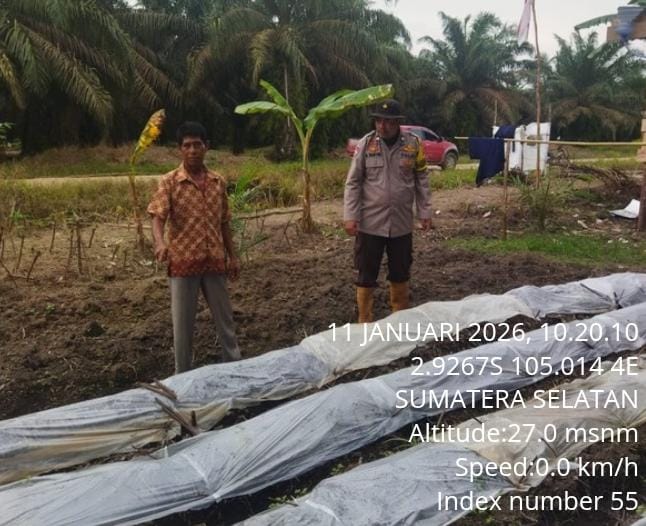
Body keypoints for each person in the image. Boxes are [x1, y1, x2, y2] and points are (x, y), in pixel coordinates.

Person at [147, 121, 241, 373]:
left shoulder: (217, 182)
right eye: (187, 145)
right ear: (180, 149)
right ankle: (183, 375)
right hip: (183, 264)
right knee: (183, 327)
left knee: (225, 320)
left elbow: (224, 222)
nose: (192, 150)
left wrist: (233, 256)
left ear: (206, 146)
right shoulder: (169, 182)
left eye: (197, 145)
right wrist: (160, 242)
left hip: (214, 261)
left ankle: (235, 367)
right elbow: (157, 216)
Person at [343, 99, 431, 323]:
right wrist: (350, 216)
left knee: (400, 273)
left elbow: (422, 178)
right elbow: (353, 182)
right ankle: (365, 321)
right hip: (370, 223)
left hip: (401, 224)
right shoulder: (365, 144)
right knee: (366, 273)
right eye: (379, 121)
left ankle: (399, 321)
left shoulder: (413, 144)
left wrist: (425, 211)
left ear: (398, 122)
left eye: (388, 122)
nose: (382, 126)